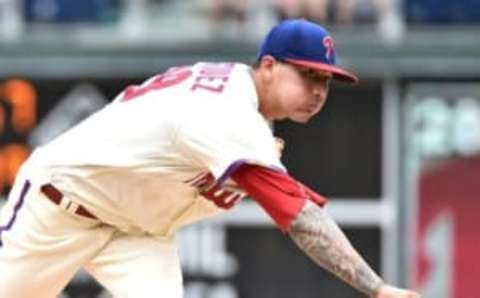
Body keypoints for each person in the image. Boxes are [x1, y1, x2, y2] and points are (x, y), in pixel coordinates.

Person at [0, 19, 420, 298]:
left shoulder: (243, 109)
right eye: (307, 75)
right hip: (60, 207)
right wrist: (377, 288)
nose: (318, 91)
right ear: (269, 66)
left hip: (136, 232)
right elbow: (302, 219)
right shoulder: (229, 116)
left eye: (325, 81)